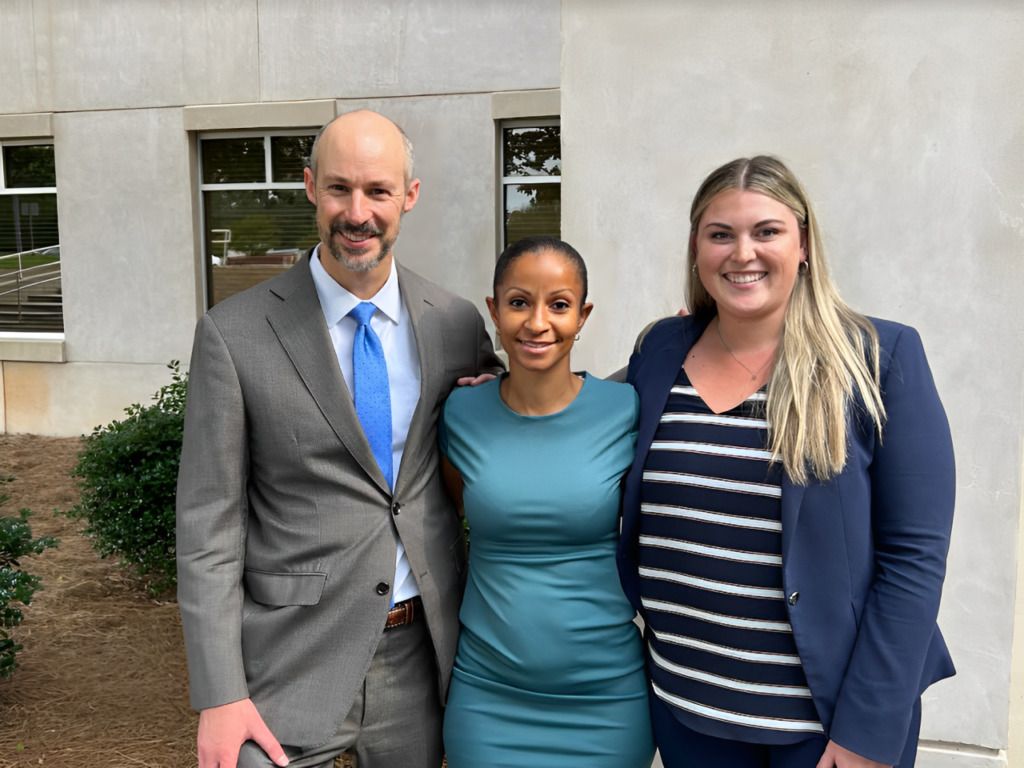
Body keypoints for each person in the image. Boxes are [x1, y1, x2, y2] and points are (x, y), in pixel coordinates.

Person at [175, 109, 502, 768]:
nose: (358, 212)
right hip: (287, 661)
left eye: (378, 191)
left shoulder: (456, 325)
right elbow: (208, 522)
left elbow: (524, 417)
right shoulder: (233, 334)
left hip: (420, 658)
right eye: (339, 189)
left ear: (409, 196)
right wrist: (218, 692)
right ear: (309, 187)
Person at [617, 156, 955, 768]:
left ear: (803, 244)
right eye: (720, 234)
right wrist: (495, 392)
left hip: (823, 731)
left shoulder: (877, 358)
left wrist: (866, 735)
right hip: (687, 712)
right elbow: (579, 410)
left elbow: (915, 559)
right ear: (697, 248)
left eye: (766, 231)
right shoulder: (661, 349)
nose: (742, 253)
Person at [439, 236, 656, 768]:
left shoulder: (626, 410)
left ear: (582, 316)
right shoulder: (461, 413)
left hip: (605, 700)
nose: (538, 323)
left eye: (559, 305)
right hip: (489, 697)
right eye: (519, 302)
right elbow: (450, 516)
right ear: (494, 310)